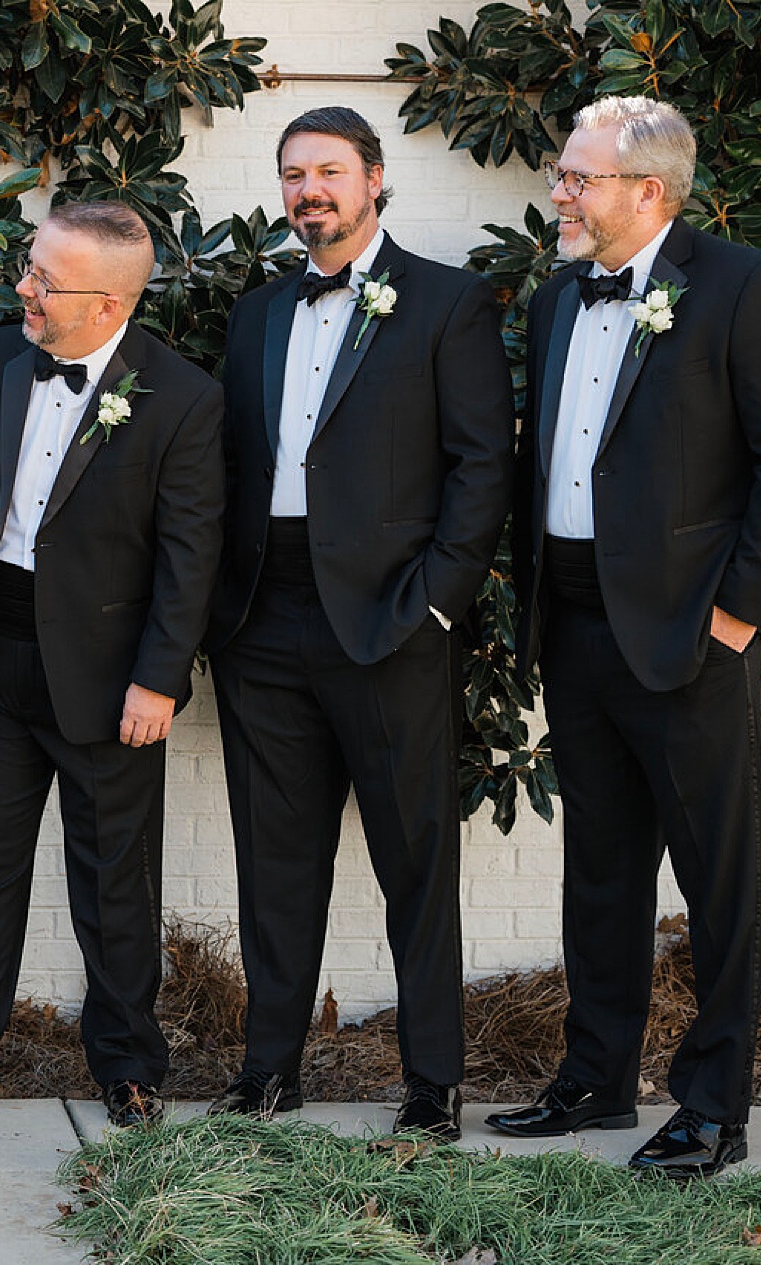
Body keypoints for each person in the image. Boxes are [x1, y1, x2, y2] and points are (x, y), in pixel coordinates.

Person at [486, 96, 761, 1177]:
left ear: (648, 192)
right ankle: (595, 1077)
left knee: (718, 884)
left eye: (577, 178)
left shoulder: (742, 286)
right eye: (563, 175)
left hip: (687, 639)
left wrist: (734, 619)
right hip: (572, 627)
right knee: (602, 869)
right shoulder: (554, 297)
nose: (559, 193)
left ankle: (713, 1108)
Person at [203, 106, 514, 1142]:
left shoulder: (447, 302)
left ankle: (431, 1081)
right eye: (293, 175)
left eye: (328, 172)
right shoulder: (253, 313)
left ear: (374, 180)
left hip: (388, 622)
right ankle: (268, 1067)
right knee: (274, 860)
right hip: (263, 621)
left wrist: (430, 603)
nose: (308, 192)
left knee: (414, 861)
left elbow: (480, 469)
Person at [0, 200, 223, 1127]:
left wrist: (160, 676)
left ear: (110, 300)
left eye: (45, 279)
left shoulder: (184, 396)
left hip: (110, 674)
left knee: (114, 876)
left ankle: (129, 1066)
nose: (25, 288)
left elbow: (189, 554)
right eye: (29, 266)